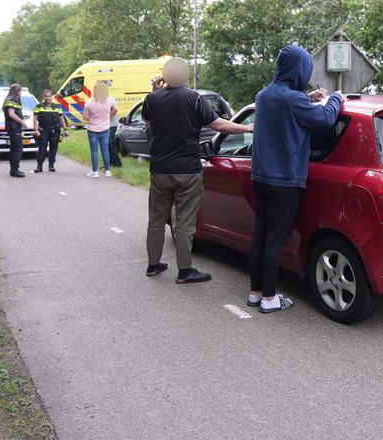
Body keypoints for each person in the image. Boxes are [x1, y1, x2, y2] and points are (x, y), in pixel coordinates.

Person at [248, 45, 344, 313]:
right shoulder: (293, 99)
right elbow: (325, 119)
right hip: (284, 179)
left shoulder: (264, 95)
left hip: (261, 176)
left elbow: (289, 108)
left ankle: (256, 293)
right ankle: (269, 299)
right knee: (275, 239)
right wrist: (335, 98)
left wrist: (309, 97)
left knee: (261, 234)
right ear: (300, 69)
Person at [142, 57, 253, 284]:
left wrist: (156, 89)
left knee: (156, 220)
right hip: (188, 171)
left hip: (160, 170)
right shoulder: (194, 99)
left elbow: (148, 119)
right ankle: (184, 271)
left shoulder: (152, 98)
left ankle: (153, 265)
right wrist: (247, 127)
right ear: (184, 75)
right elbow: (219, 125)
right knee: (184, 223)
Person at [82, 81, 118, 178]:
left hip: (92, 130)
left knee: (94, 151)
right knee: (105, 150)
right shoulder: (109, 101)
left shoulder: (89, 103)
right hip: (105, 129)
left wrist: (92, 117)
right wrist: (108, 117)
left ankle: (95, 172)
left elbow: (85, 117)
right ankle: (107, 171)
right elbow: (115, 109)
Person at [33, 89, 68, 173]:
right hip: (43, 130)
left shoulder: (57, 107)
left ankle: (51, 165)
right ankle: (39, 166)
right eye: (46, 96)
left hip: (55, 130)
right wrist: (36, 130)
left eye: (49, 96)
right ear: (43, 97)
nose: (48, 98)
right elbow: (35, 119)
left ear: (51, 97)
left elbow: (61, 118)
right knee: (42, 148)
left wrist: (65, 129)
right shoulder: (39, 107)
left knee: (53, 148)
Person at [3, 83, 27, 178]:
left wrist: (22, 117)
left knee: (13, 148)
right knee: (18, 148)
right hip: (14, 127)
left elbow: (14, 113)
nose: (21, 93)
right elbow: (11, 114)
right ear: (17, 91)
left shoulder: (9, 98)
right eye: (21, 91)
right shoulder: (13, 98)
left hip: (12, 126)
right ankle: (15, 170)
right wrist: (22, 122)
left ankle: (13, 169)